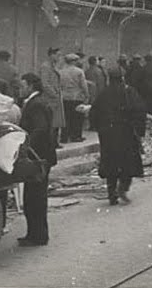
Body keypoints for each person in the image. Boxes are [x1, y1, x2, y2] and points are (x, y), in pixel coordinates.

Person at [89, 67, 146, 205]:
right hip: (126, 132)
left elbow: (94, 113)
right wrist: (140, 131)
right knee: (128, 162)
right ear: (122, 78)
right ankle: (123, 188)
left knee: (111, 163)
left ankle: (111, 193)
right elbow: (140, 111)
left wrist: (100, 129)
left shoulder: (103, 93)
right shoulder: (129, 92)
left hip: (108, 134)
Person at [17, 73, 57, 246]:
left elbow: (40, 128)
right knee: (33, 197)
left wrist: (25, 144)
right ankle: (35, 234)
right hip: (40, 156)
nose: (20, 89)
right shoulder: (37, 102)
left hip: (38, 157)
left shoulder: (36, 104)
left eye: (22, 86)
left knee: (35, 198)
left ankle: (38, 236)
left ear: (31, 86)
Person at [39, 48, 66, 148]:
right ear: (51, 55)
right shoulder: (45, 67)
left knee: (56, 122)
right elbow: (45, 84)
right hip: (50, 99)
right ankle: (51, 143)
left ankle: (54, 142)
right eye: (57, 55)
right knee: (51, 121)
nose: (59, 58)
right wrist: (54, 94)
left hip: (55, 98)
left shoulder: (53, 66)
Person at [58, 54, 89, 143]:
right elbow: (83, 85)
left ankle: (64, 137)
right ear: (74, 61)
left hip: (64, 97)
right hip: (77, 97)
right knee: (77, 118)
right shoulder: (79, 72)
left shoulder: (61, 72)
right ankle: (76, 136)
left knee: (66, 118)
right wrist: (87, 95)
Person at [85, 56, 106, 131]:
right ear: (95, 62)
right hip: (97, 93)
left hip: (89, 92)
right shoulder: (98, 71)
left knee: (91, 110)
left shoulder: (87, 71)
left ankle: (91, 125)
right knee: (97, 110)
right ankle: (96, 125)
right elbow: (100, 84)